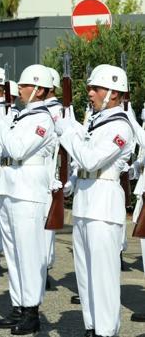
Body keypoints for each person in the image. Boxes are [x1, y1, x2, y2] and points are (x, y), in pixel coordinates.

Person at [57, 64, 133, 337]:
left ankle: (106, 331)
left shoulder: (121, 127)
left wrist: (69, 132)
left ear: (113, 93)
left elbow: (91, 158)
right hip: (85, 204)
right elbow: (84, 164)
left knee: (103, 278)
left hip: (104, 207)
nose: (89, 93)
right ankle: (92, 328)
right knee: (85, 275)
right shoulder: (96, 121)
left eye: (95, 88)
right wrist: (72, 182)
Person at [0, 64, 55, 334]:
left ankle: (31, 311)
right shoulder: (21, 116)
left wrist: (0, 122)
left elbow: (16, 148)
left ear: (38, 90)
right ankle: (18, 306)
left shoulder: (42, 120)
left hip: (28, 190)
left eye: (25, 86)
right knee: (14, 254)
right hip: (9, 187)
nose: (20, 90)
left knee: (28, 254)